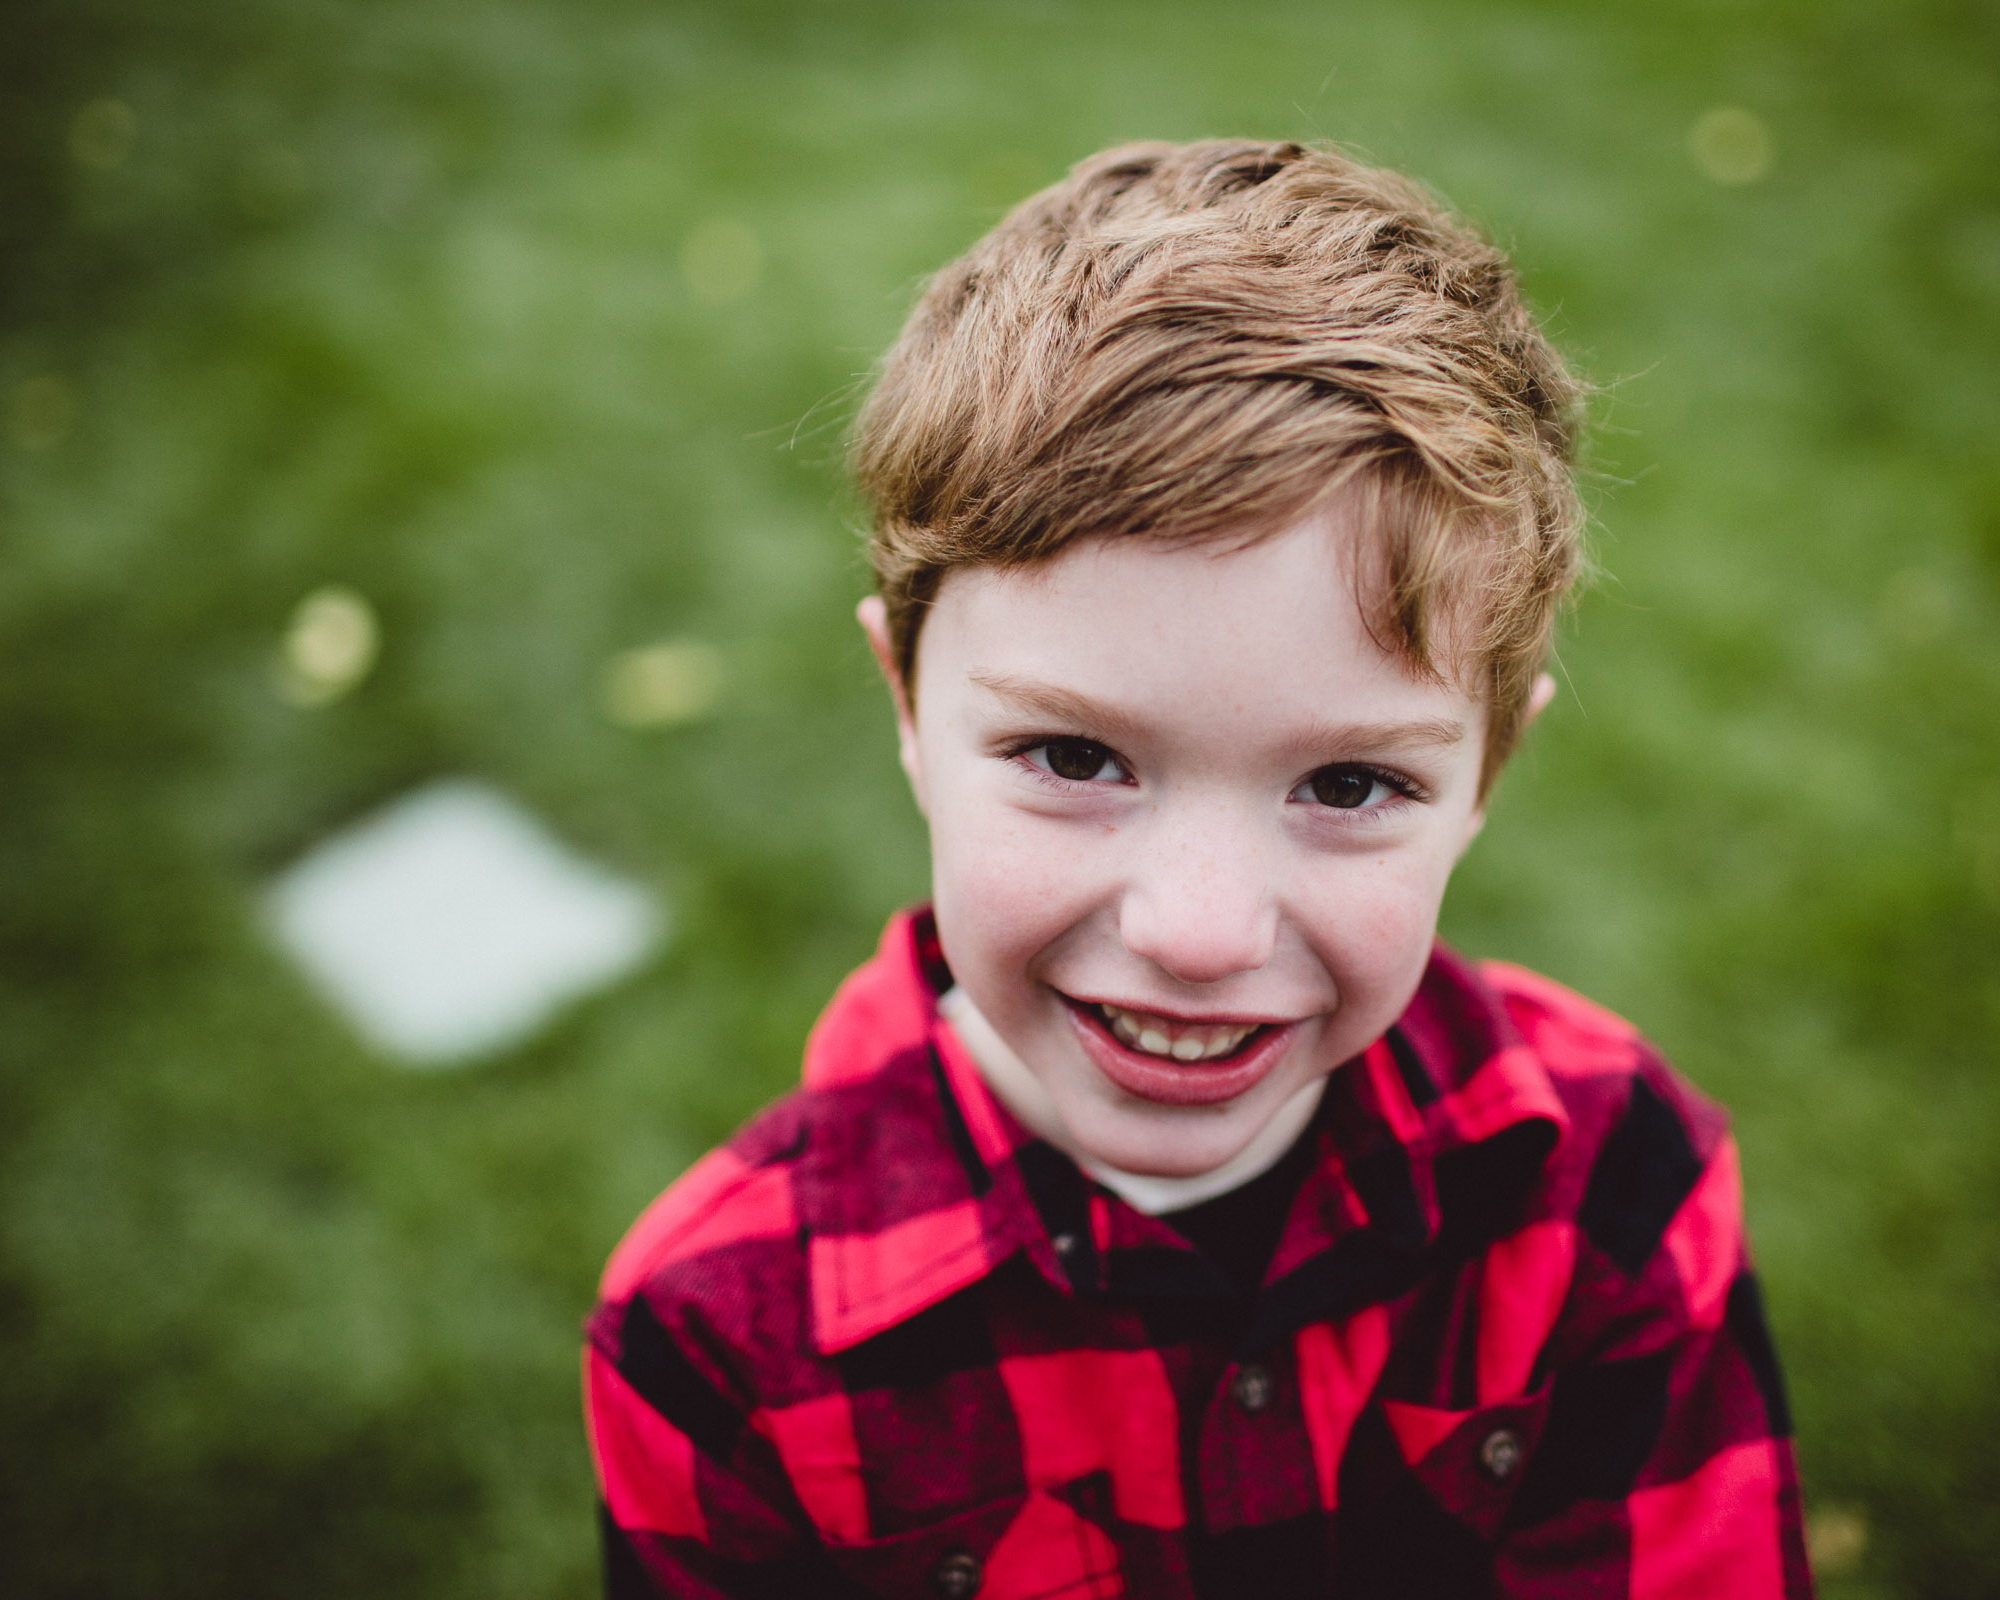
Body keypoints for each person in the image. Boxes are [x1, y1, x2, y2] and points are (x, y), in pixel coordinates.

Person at [585, 138, 1811, 1599]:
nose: (1200, 934)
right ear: (907, 702)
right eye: (1076, 759)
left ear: (1488, 776)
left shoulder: (1606, 1187)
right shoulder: (718, 1336)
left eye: (1350, 783)